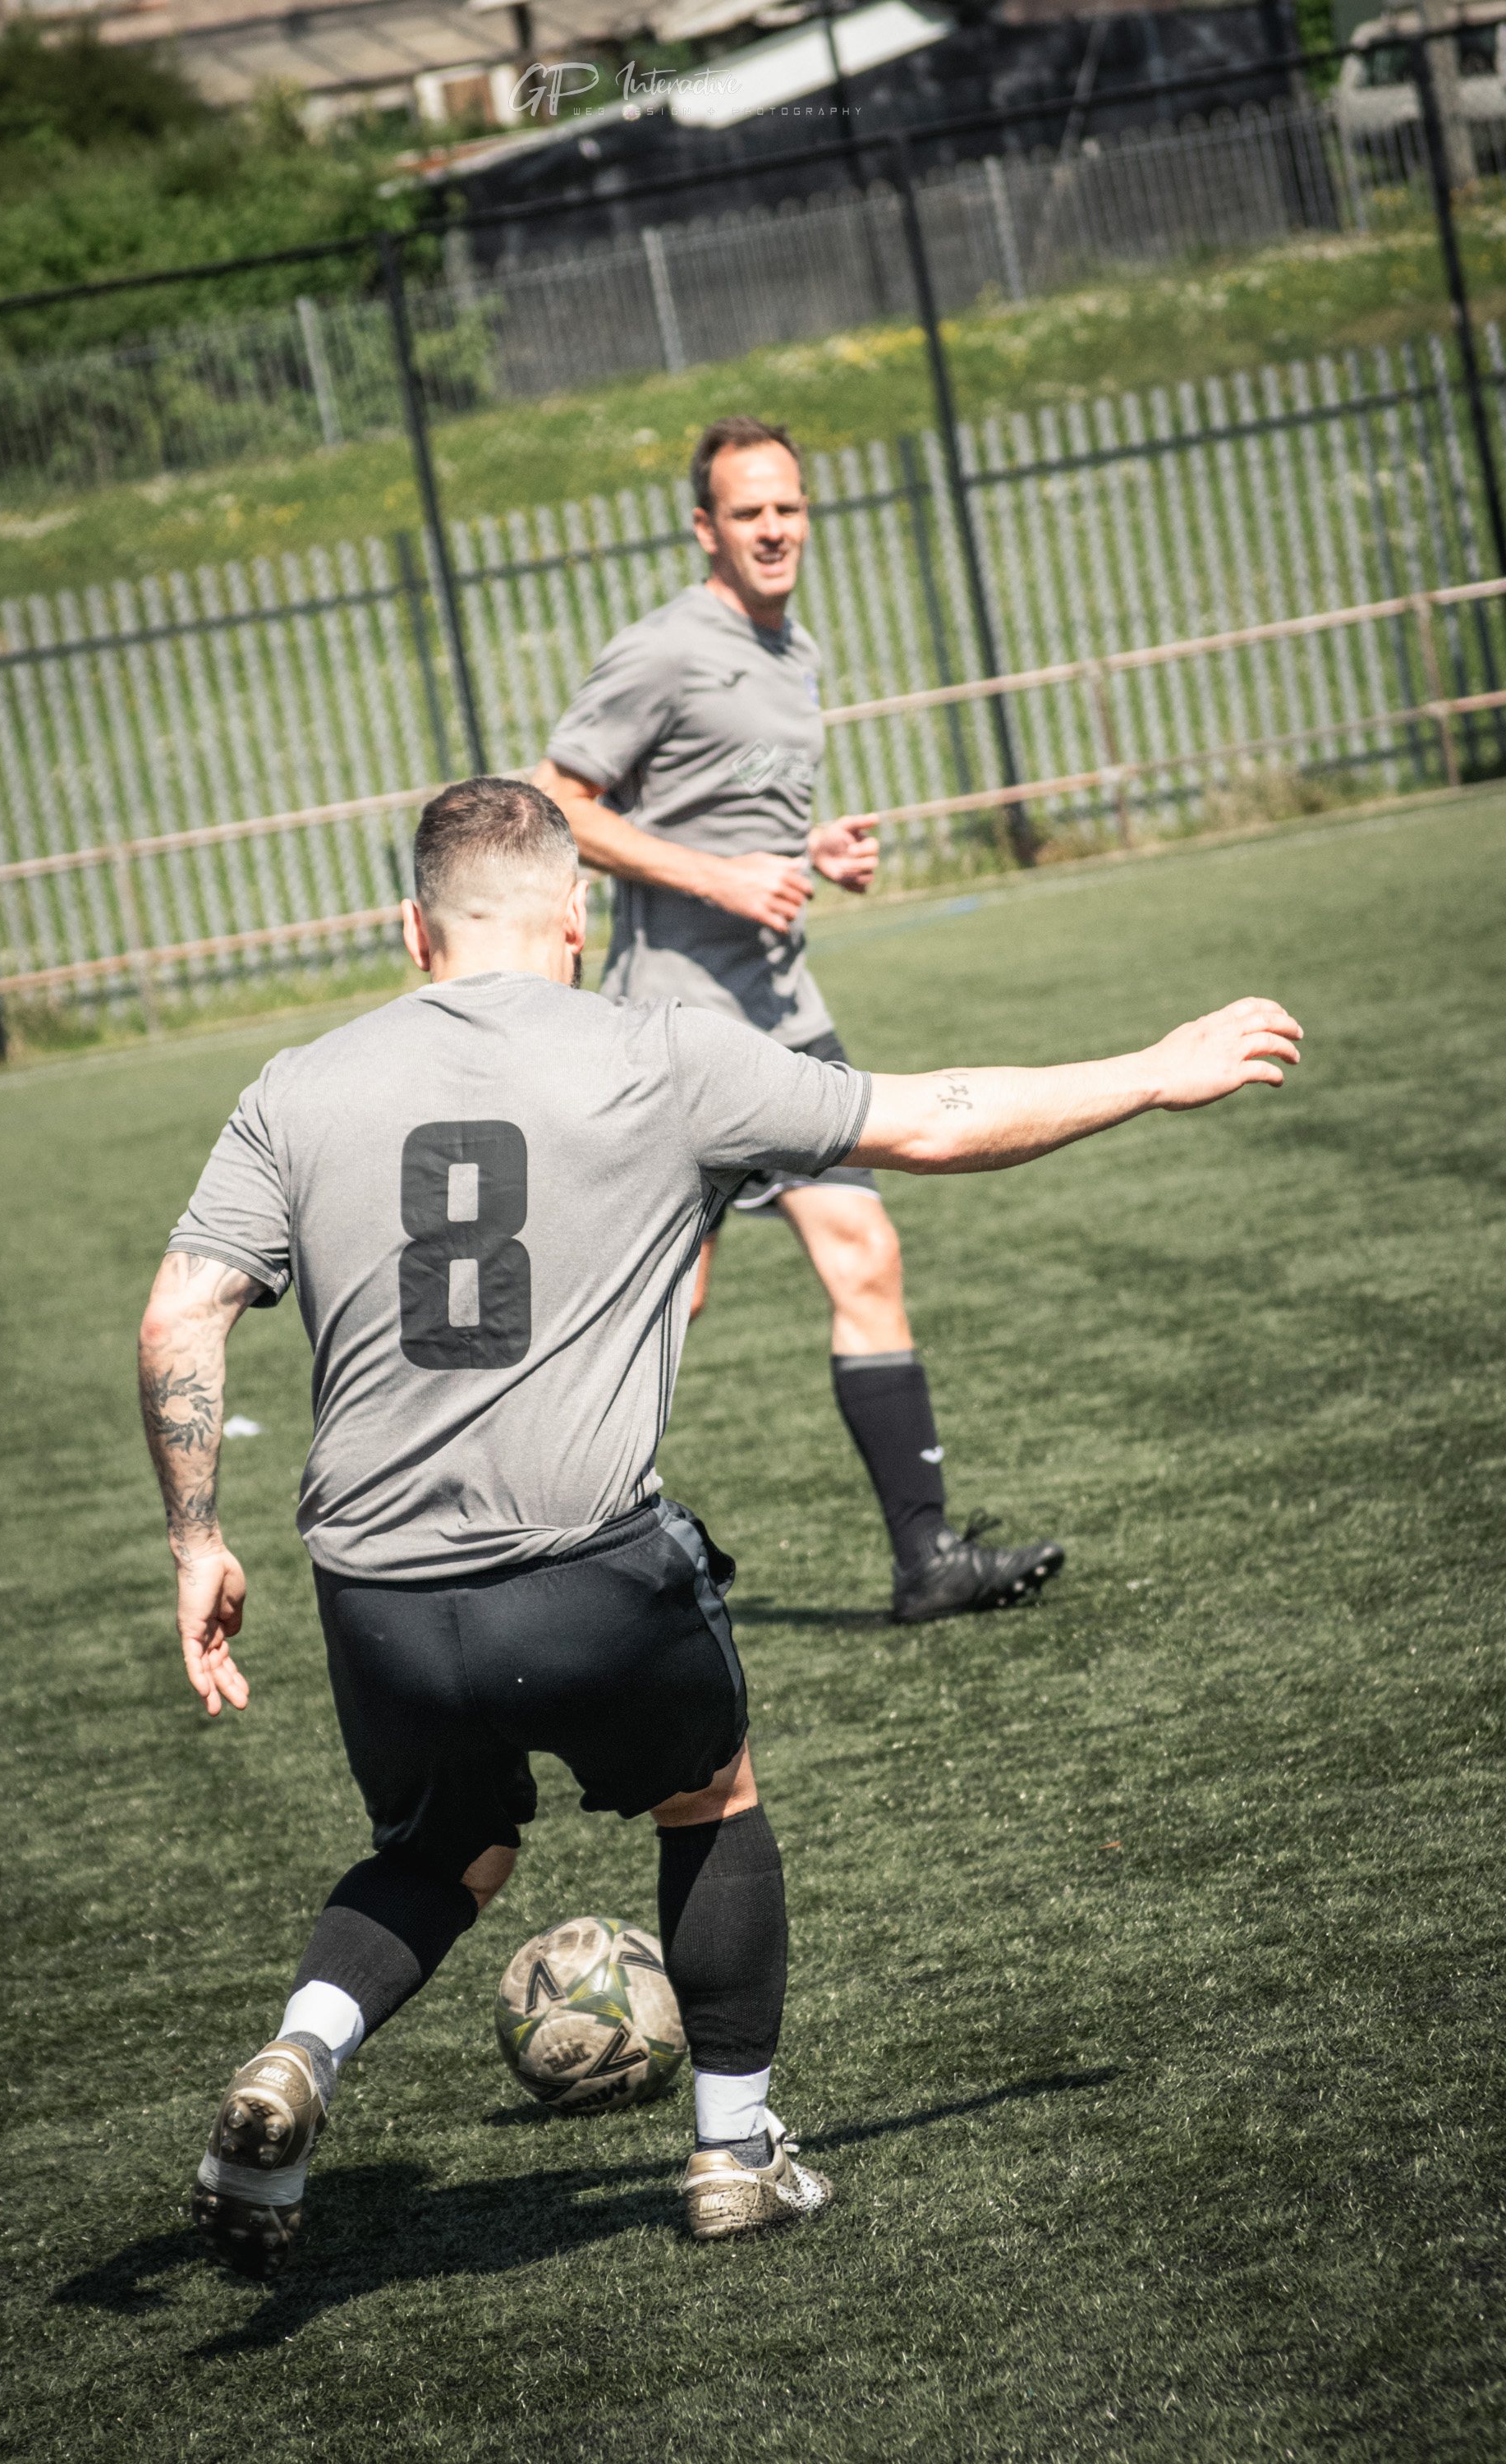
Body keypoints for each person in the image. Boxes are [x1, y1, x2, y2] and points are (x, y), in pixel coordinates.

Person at [137, 774, 1301, 2283]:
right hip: (587, 1576)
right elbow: (933, 1118)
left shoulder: (296, 1084)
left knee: (449, 1844)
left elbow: (182, 1308)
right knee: (711, 1795)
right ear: (577, 919)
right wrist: (1153, 1068)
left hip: (377, 1591)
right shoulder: (660, 1052)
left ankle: (296, 2061)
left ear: (411, 928)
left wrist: (194, 1541)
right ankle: (738, 2153)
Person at [532, 416, 1062, 1626]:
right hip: (676, 1032)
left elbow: (731, 818)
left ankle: (926, 1563)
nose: (774, 529)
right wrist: (720, 881)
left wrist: (804, 852)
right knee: (666, 1302)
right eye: (748, 512)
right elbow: (558, 806)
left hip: (785, 1023)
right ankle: (554, 1553)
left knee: (865, 1254)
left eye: (790, 507)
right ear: (705, 528)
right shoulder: (665, 650)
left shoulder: (795, 647)